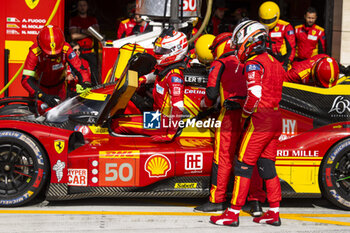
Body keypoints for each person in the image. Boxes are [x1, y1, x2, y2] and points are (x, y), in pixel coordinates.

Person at [210, 20, 285, 227]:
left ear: (248, 40)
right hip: (276, 118)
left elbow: (255, 94)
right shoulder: (276, 62)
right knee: (268, 166)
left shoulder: (254, 63)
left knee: (243, 165)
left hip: (259, 120)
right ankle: (274, 212)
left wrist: (244, 114)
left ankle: (232, 213)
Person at [194, 32, 247, 212]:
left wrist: (203, 105)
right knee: (245, 159)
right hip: (250, 115)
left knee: (222, 158)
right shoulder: (247, 60)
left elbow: (210, 95)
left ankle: (216, 200)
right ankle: (250, 200)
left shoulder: (219, 63)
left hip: (229, 117)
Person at [111, 28, 188, 142]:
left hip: (163, 124)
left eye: (162, 50)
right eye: (157, 48)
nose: (157, 52)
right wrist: (143, 79)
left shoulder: (174, 77)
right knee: (118, 119)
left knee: (116, 125)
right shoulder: (165, 70)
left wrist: (170, 134)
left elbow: (178, 106)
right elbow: (156, 75)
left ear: (175, 51)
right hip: (158, 117)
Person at [22, 25, 90, 107]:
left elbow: (81, 69)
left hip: (59, 89)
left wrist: (86, 84)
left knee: (61, 117)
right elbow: (26, 79)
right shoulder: (34, 52)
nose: (53, 56)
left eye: (56, 54)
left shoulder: (66, 48)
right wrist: (42, 95)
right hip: (39, 89)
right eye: (49, 54)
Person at [259, 1, 296, 71]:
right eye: (265, 21)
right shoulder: (259, 27)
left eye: (270, 20)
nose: (267, 23)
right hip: (266, 62)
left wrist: (287, 63)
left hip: (282, 62)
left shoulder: (285, 27)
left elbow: (291, 48)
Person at [69, 0, 99, 85]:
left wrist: (81, 31)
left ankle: (94, 88)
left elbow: (97, 34)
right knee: (79, 70)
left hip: (90, 51)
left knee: (94, 74)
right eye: (80, 5)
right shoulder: (74, 20)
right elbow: (73, 36)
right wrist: (89, 33)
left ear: (87, 7)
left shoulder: (92, 19)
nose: (82, 7)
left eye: (84, 5)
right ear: (77, 7)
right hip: (78, 51)